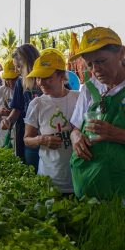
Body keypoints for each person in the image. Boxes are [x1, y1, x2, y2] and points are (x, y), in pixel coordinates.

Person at [70, 27, 125, 199]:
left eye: (102, 61)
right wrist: (76, 138)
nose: (96, 70)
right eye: (90, 64)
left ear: (122, 53)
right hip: (87, 189)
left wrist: (116, 134)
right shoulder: (89, 88)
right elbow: (74, 128)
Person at [24, 49, 79, 193]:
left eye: (46, 77)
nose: (41, 82)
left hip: (78, 179)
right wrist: (41, 139)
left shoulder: (79, 99)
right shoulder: (36, 104)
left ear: (62, 75)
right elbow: (27, 139)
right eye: (38, 77)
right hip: (49, 181)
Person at [1, 43, 42, 172]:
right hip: (26, 132)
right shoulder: (20, 82)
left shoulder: (46, 79)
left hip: (46, 129)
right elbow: (17, 109)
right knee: (29, 167)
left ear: (29, 63)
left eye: (19, 66)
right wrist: (8, 120)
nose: (17, 70)